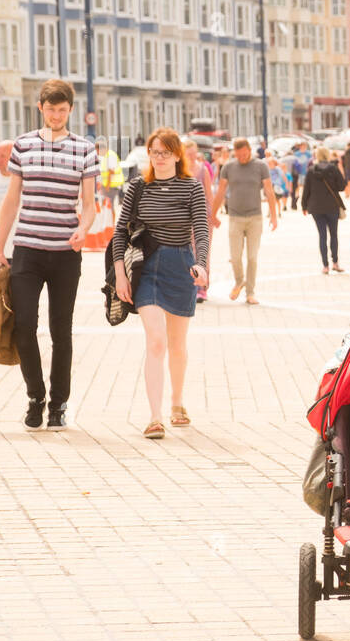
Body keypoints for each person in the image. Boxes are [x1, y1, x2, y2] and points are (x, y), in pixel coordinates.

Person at [0, 79, 98, 431]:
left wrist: (83, 228)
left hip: (65, 253)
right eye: (51, 109)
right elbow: (11, 200)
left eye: (62, 109)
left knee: (61, 330)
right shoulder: (23, 145)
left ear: (70, 110)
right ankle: (35, 396)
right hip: (26, 250)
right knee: (24, 326)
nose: (56, 115)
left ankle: (59, 403)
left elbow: (89, 203)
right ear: (41, 108)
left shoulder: (84, 149)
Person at [111, 128, 209, 439]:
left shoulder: (191, 188)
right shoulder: (138, 187)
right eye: (154, 152)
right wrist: (119, 274)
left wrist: (201, 264)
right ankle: (155, 417)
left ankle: (177, 402)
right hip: (147, 267)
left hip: (181, 266)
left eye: (165, 152)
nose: (159, 157)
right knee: (156, 341)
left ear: (178, 155)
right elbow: (119, 233)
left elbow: (201, 230)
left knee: (177, 345)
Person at [211, 137, 278, 305]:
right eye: (239, 155)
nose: (242, 157)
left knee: (252, 257)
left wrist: (274, 215)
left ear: (249, 150)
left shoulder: (261, 166)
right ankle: (239, 281)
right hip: (235, 217)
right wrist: (213, 215)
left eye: (244, 154)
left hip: (255, 217)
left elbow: (269, 191)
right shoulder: (228, 167)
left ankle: (250, 292)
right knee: (235, 256)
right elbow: (220, 192)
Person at [302, 146, 347, 275]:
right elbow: (342, 186)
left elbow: (306, 189)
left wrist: (304, 206)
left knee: (322, 236)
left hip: (316, 207)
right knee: (333, 235)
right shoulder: (333, 169)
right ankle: (335, 263)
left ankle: (325, 265)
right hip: (332, 206)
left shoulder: (311, 170)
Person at [182, 137, 217, 303]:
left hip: (203, 218)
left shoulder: (202, 170)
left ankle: (202, 287)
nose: (191, 156)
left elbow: (209, 195)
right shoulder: (179, 171)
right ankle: (191, 285)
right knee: (188, 252)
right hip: (184, 219)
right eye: (188, 154)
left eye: (194, 153)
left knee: (202, 251)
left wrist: (213, 215)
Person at [97, 137, 124, 208]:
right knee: (106, 207)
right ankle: (108, 219)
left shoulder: (110, 156)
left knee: (109, 207)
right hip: (107, 186)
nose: (99, 153)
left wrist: (107, 186)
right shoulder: (106, 156)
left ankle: (111, 219)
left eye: (99, 151)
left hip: (111, 187)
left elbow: (111, 171)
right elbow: (104, 173)